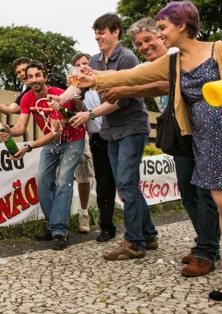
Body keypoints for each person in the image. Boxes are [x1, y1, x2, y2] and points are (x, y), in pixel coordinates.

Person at [78, 1, 222, 301]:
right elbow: (132, 77)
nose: (159, 34)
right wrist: (94, 79)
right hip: (206, 142)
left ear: (181, 25)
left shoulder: (221, 50)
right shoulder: (173, 61)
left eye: (163, 28)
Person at [102, 18, 220, 277]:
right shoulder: (150, 65)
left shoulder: (179, 55)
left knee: (204, 192)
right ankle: (205, 244)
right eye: (138, 44)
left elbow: (166, 83)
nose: (144, 46)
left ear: (163, 37)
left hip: (203, 128)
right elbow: (130, 79)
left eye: (149, 39)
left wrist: (126, 90)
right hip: (180, 132)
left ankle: (207, 251)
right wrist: (99, 80)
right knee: (188, 192)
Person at [51, 14, 158, 261]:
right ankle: (149, 233)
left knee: (126, 183)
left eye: (102, 32)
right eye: (96, 32)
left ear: (116, 32)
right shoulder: (96, 60)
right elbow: (79, 85)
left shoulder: (127, 58)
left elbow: (123, 99)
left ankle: (135, 242)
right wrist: (62, 99)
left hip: (132, 127)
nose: (98, 37)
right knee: (126, 184)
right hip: (110, 131)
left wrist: (90, 114)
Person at [0, 56, 93, 233]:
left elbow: (55, 131)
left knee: (64, 180)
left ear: (45, 77)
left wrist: (28, 147)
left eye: (38, 75)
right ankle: (54, 226)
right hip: (52, 142)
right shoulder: (27, 98)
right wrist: (9, 130)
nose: (34, 79)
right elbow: (20, 127)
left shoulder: (57, 94)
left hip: (73, 140)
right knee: (43, 181)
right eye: (30, 76)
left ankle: (59, 230)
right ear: (26, 80)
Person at [70, 53, 115, 240]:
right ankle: (106, 226)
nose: (82, 67)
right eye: (78, 65)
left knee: (123, 182)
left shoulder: (102, 83)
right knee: (104, 184)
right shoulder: (77, 90)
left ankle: (138, 227)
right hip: (96, 138)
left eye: (85, 63)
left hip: (115, 135)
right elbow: (79, 110)